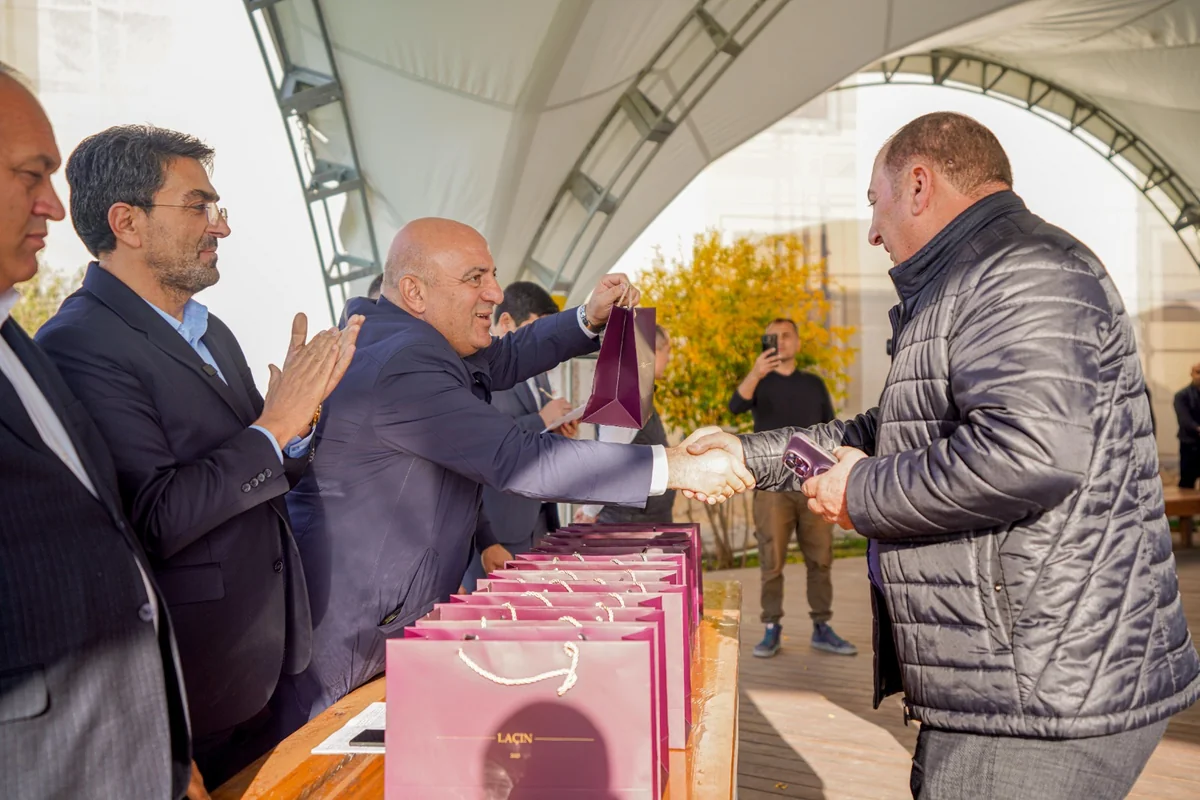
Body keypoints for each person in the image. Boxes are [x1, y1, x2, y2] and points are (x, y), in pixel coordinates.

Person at [685, 112, 1199, 799]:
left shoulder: (1022, 269)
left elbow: (1030, 452)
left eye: (876, 201)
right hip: (1014, 682)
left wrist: (861, 492)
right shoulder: (972, 279)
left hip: (1037, 696)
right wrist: (749, 456)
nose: (873, 231)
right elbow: (890, 431)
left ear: (919, 185)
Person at [280, 217, 754, 726]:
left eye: (493, 275)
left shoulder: (416, 340)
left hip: (381, 616)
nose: (495, 292)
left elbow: (506, 355)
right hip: (352, 634)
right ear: (415, 292)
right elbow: (518, 458)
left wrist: (587, 319)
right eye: (475, 278)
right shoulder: (403, 365)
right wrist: (674, 465)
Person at [35, 124, 362, 789]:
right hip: (193, 685)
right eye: (198, 206)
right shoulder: (79, 344)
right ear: (126, 222)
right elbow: (153, 517)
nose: (222, 227)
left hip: (267, 660)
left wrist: (296, 427)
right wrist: (274, 426)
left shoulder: (213, 331)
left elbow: (264, 469)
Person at [0, 65, 199, 800]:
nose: (54, 206)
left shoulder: (18, 348)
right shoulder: (75, 341)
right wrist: (271, 432)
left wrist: (168, 746)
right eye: (31, 174)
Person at [728, 318, 854, 658]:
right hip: (771, 488)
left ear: (797, 342)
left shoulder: (813, 384)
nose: (780, 342)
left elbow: (831, 429)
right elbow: (735, 406)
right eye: (773, 337)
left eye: (786, 336)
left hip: (814, 484)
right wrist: (755, 373)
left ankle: (822, 626)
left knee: (821, 558)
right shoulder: (760, 382)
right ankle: (771, 627)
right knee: (771, 561)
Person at [466, 281, 576, 593]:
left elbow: (536, 435)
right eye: (537, 330)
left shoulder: (538, 371)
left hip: (538, 516)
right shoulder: (478, 370)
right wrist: (542, 418)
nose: (544, 343)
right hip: (497, 526)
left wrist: (558, 429)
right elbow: (486, 437)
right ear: (505, 322)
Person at [574, 324, 676, 525]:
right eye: (667, 350)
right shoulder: (625, 397)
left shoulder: (634, 393)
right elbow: (609, 461)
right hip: (628, 524)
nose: (669, 358)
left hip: (639, 519)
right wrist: (589, 511)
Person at [1175, 362, 1200, 489]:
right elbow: (1184, 419)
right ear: (1192, 374)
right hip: (1190, 444)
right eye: (1198, 372)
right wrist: (1197, 428)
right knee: (1187, 482)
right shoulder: (1182, 395)